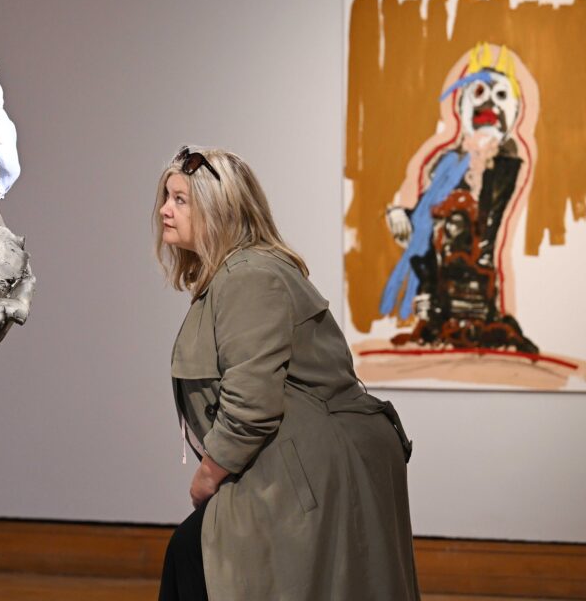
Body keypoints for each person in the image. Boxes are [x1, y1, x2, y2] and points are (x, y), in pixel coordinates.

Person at [154, 146, 420, 600]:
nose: (164, 210)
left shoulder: (248, 275)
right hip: (310, 461)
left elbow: (251, 401)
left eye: (181, 200)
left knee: (196, 558)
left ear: (219, 210)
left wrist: (207, 476)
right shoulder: (240, 271)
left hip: (316, 469)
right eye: (166, 196)